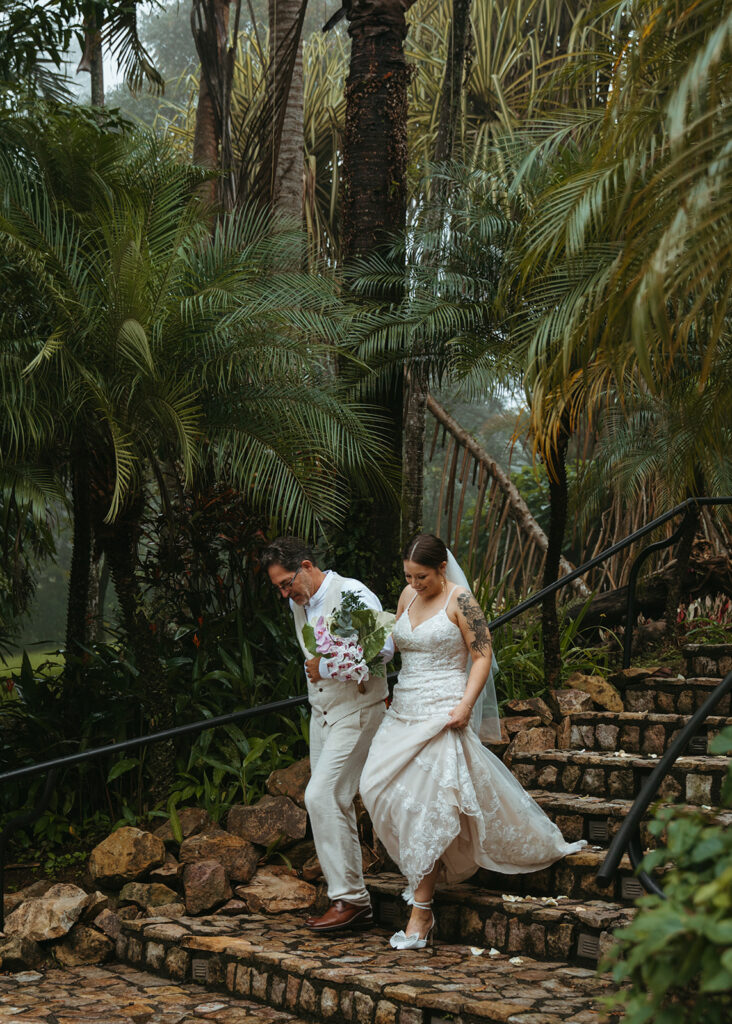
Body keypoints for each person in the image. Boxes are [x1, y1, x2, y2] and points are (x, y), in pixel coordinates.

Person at [360, 533, 586, 950]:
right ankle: (431, 868)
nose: (415, 583)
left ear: (442, 568)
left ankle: (421, 912)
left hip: (443, 712)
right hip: (403, 710)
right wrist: (362, 647)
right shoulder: (406, 595)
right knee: (374, 788)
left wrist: (465, 705)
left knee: (426, 804)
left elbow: (482, 655)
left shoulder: (462, 601)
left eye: (422, 576)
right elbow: (395, 646)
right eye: (409, 576)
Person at [261, 536, 394, 932]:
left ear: (305, 565)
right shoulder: (295, 603)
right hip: (321, 714)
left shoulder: (352, 594)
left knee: (321, 794)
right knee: (330, 800)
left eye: (287, 583)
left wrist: (329, 667)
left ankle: (350, 900)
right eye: (279, 588)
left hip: (358, 709)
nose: (285, 593)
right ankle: (351, 899)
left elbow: (384, 649)